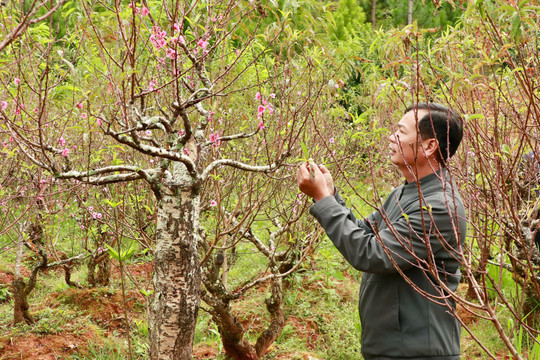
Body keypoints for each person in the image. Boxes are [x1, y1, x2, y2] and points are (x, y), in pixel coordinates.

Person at [297, 103, 466, 360]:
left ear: (429, 146)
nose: (391, 137)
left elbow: (371, 254)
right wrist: (331, 196)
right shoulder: (405, 193)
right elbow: (364, 233)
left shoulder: (439, 207)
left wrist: (322, 199)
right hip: (393, 347)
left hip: (418, 352)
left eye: (400, 132)